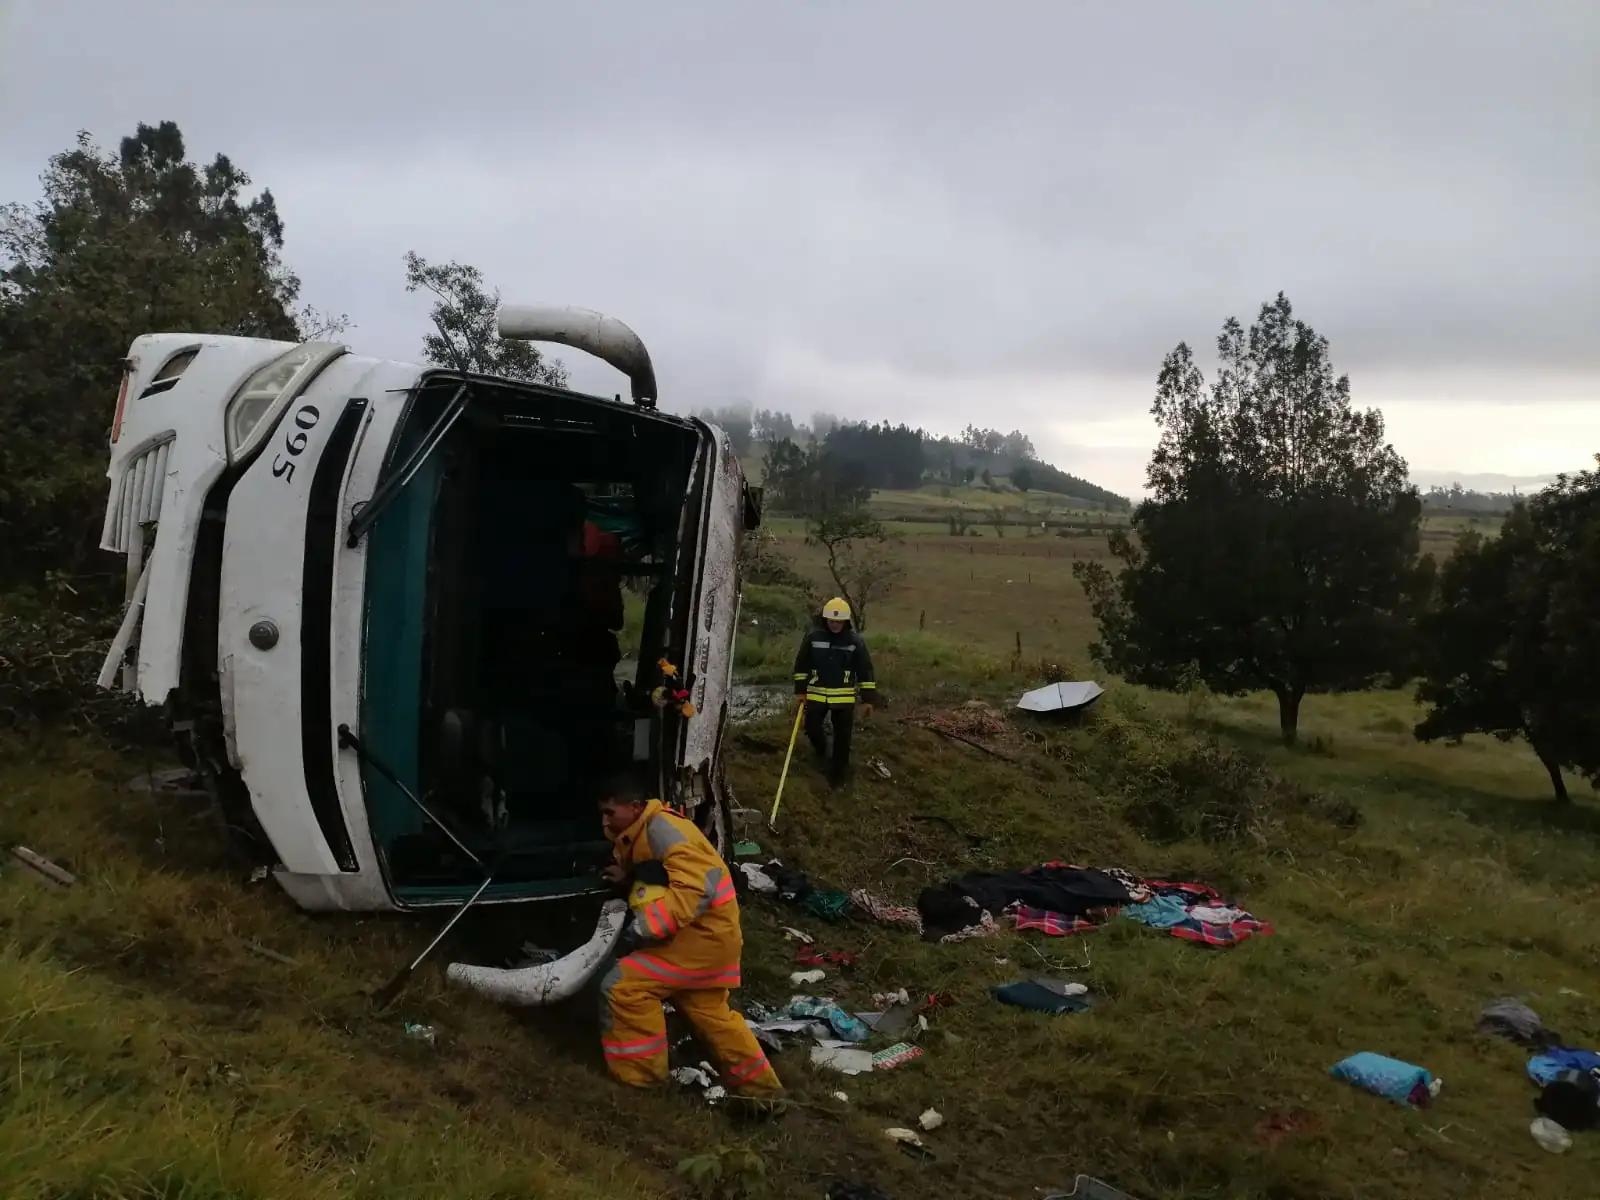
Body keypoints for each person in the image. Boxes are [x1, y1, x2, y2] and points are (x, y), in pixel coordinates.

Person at [595, 778, 784, 1105]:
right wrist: (628, 880)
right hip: (711, 940)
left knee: (622, 988)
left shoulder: (661, 829)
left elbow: (697, 888)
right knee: (712, 1016)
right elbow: (667, 878)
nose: (605, 822)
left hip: (696, 942)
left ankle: (641, 1085)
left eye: (610, 812)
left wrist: (641, 930)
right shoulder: (647, 829)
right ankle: (764, 1094)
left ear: (635, 807)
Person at [791, 597, 878, 788]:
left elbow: (865, 671)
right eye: (832, 621)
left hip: (844, 698)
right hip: (816, 694)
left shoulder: (855, 641)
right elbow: (801, 665)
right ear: (825, 620)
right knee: (812, 728)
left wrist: (868, 700)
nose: (835, 625)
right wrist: (800, 691)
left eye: (839, 622)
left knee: (843, 738)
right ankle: (822, 753)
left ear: (846, 622)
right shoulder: (813, 638)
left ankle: (838, 776)